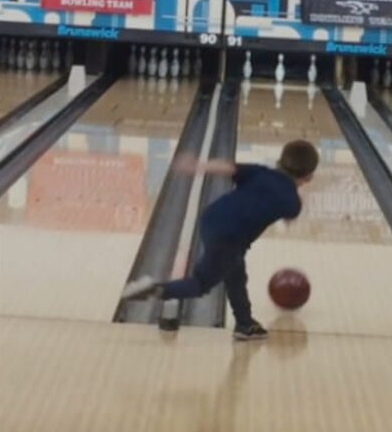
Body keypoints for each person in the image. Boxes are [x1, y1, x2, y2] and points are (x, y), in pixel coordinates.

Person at [121, 140, 319, 340]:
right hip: (230, 237)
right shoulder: (292, 202)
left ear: (280, 161)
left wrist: (196, 166)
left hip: (211, 218)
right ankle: (154, 289)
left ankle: (245, 324)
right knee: (200, 284)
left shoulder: (261, 172)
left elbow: (226, 167)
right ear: (309, 176)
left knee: (236, 274)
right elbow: (289, 217)